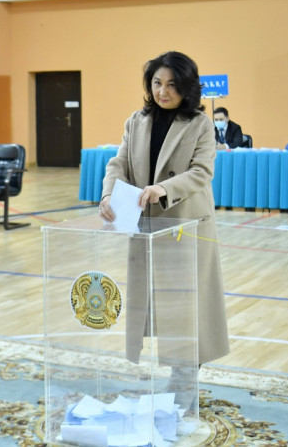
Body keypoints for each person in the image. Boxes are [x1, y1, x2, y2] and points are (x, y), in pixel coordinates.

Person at [98, 51, 229, 406]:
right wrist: (108, 193)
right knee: (158, 303)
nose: (163, 91)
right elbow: (119, 163)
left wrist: (163, 189)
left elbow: (201, 172)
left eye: (172, 84)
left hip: (185, 225)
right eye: (157, 83)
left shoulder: (200, 124)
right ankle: (177, 375)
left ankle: (185, 377)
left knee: (186, 305)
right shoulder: (136, 121)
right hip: (147, 226)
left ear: (187, 87)